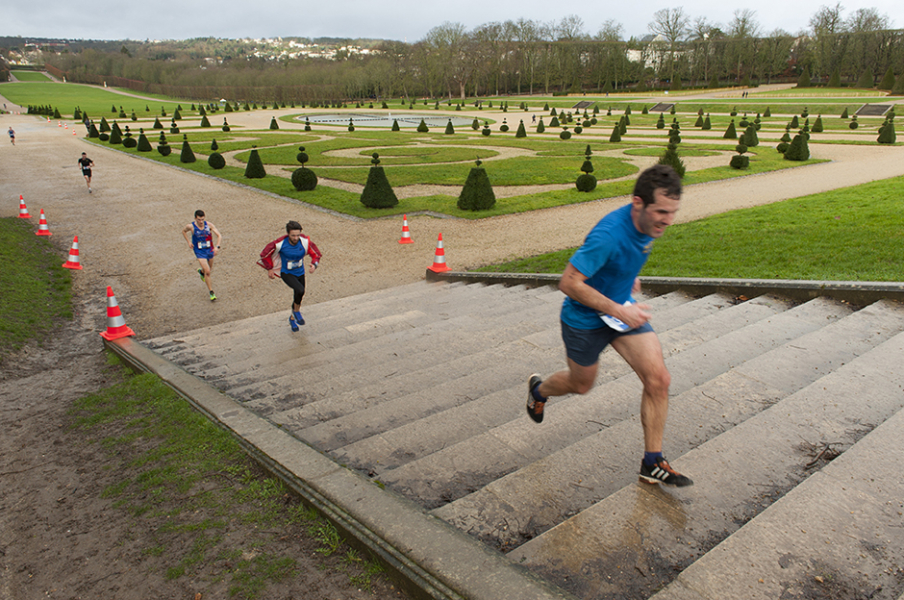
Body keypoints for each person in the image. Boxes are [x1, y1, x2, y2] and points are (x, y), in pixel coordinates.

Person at [526, 164, 693, 487]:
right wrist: (618, 307)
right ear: (637, 203)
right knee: (582, 385)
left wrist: (627, 279)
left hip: (621, 310)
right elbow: (569, 282)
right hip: (584, 317)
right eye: (661, 212)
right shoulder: (608, 235)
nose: (668, 220)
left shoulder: (649, 224)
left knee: (658, 379)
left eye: (673, 212)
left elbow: (625, 256)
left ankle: (652, 461)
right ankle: (538, 390)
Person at [262, 220, 321, 332]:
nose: (295, 238)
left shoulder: (304, 242)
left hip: (300, 272)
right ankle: (296, 312)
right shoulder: (280, 244)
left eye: (298, 235)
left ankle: (292, 319)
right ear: (288, 234)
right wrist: (269, 268)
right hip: (287, 273)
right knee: (299, 289)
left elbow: (316, 254)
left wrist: (314, 264)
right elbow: (264, 254)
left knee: (299, 294)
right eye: (293, 235)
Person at [182, 210, 222, 301]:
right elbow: (184, 231)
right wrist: (188, 242)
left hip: (209, 250)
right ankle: (211, 292)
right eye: (199, 219)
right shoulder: (191, 226)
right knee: (208, 271)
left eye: (202, 219)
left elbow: (219, 235)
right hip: (199, 251)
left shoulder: (209, 225)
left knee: (209, 270)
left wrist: (217, 247)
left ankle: (201, 272)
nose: (201, 222)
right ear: (195, 218)